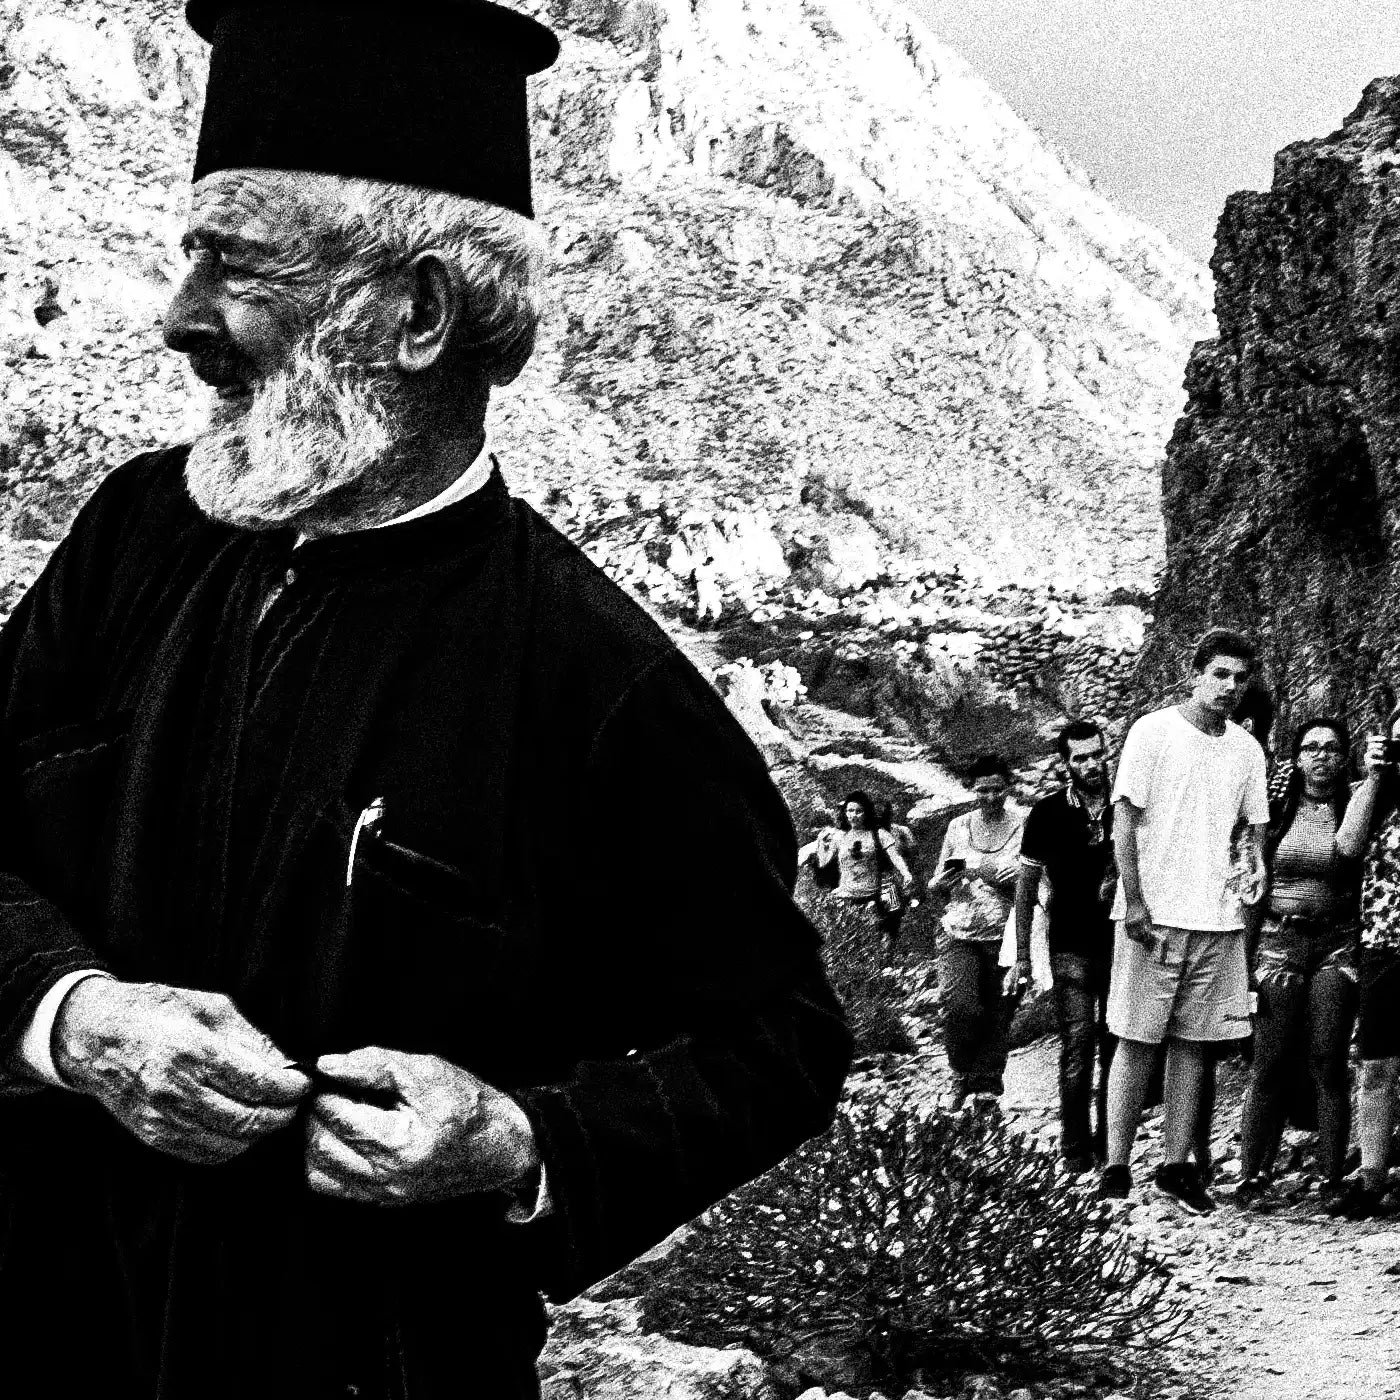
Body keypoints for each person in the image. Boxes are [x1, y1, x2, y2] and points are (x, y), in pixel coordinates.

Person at [0, 5, 852, 1396]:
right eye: (188, 257)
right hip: (48, 1318)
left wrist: (521, 1139)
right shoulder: (135, 535)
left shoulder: (596, 678)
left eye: (238, 265)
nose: (179, 320)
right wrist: (73, 1015)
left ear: (418, 315)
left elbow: (784, 1040)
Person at [1099, 628, 1268, 1213]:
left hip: (1216, 918)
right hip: (1154, 914)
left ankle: (1175, 1165)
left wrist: (1243, 916)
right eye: (1220, 674)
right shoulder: (1153, 732)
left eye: (1240, 678)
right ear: (1195, 673)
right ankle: (1115, 1165)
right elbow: (1124, 823)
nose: (1229, 687)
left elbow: (1250, 836)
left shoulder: (1247, 749)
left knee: (1194, 1044)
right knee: (1136, 1039)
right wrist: (1137, 901)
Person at [1234, 719, 1361, 1209]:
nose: (1322, 756)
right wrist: (1243, 964)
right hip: (1278, 941)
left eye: (1332, 748)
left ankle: (1331, 1178)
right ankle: (1251, 1175)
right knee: (1270, 1059)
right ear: (1297, 757)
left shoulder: (1358, 810)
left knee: (1328, 1058)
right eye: (1311, 748)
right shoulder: (1276, 811)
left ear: (1345, 757)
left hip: (1337, 943)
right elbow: (1253, 889)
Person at [1014, 719, 1116, 1173]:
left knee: (1118, 1044)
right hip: (1070, 941)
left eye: (1097, 754)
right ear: (1066, 763)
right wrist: (1020, 955)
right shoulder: (1048, 813)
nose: (1091, 765)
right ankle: (1075, 1145)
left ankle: (1112, 1140)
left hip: (1124, 941)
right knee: (1079, 1040)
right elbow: (1026, 884)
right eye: (1081, 758)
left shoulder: (1127, 802)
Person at [1327, 705, 1400, 1219]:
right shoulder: (1377, 793)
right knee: (1376, 1063)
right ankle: (1372, 1173)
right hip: (1383, 944)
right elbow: (1347, 846)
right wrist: (1374, 777)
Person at [931, 755, 1025, 1108]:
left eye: (996, 790)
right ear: (972, 790)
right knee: (959, 1006)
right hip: (960, 929)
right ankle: (960, 1072)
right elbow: (937, 882)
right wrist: (942, 881)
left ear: (1008, 788)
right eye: (982, 790)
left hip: (1009, 932)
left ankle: (986, 1086)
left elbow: (1039, 878)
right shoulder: (957, 826)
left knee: (999, 1012)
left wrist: (1015, 878)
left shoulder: (1025, 825)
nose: (989, 797)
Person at [800, 790, 914, 953]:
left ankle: (891, 948)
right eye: (850, 811)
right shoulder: (839, 837)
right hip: (848, 890)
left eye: (858, 811)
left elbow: (895, 856)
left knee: (893, 908)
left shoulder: (879, 834)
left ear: (866, 813)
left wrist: (906, 873)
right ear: (845, 813)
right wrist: (821, 845)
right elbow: (824, 862)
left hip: (874, 888)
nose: (854, 815)